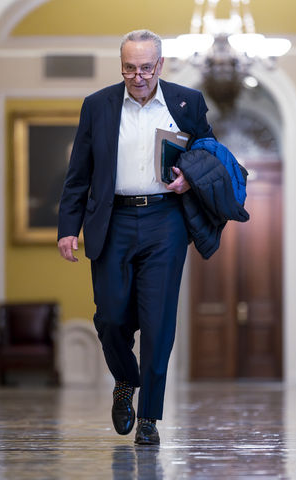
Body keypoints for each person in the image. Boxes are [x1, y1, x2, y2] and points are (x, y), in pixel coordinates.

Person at [57, 29, 213, 445]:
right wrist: (67, 229)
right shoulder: (98, 106)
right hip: (113, 220)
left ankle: (149, 419)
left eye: (146, 67)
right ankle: (126, 380)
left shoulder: (187, 103)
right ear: (121, 65)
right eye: (130, 68)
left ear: (160, 65)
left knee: (158, 322)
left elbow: (208, 154)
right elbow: (79, 174)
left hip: (166, 220)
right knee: (109, 317)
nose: (138, 76)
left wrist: (188, 180)